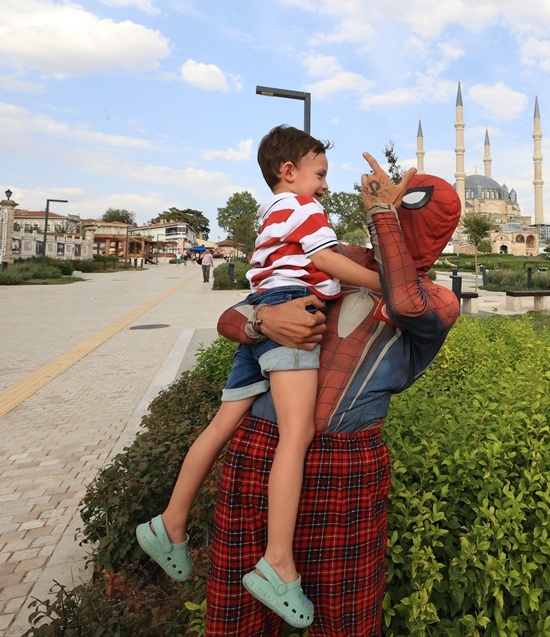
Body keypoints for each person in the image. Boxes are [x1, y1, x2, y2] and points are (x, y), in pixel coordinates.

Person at [205, 155, 462, 637]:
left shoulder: (438, 303)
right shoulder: (335, 261)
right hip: (264, 442)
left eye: (402, 207)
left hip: (347, 463)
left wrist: (383, 215)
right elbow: (231, 317)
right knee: (236, 616)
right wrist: (261, 323)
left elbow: (403, 298)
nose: (393, 213)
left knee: (345, 618)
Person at [138, 127, 382, 629]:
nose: (325, 185)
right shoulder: (304, 208)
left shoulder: (271, 210)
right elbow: (325, 259)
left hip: (260, 307)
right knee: (297, 435)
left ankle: (171, 521)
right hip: (289, 311)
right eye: (320, 174)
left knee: (221, 424)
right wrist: (387, 283)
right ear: (288, 172)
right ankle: (277, 562)